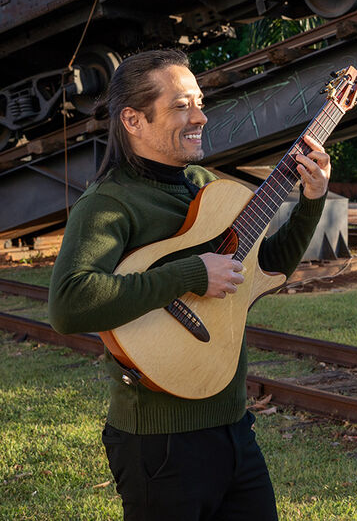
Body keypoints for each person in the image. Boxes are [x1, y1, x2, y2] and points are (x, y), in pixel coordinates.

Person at [48, 49, 331, 520]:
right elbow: (68, 305)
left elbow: (265, 268)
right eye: (181, 105)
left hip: (234, 426)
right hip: (159, 445)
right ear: (134, 120)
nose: (200, 116)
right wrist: (191, 275)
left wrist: (312, 199)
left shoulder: (203, 185)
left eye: (199, 101)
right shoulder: (108, 204)